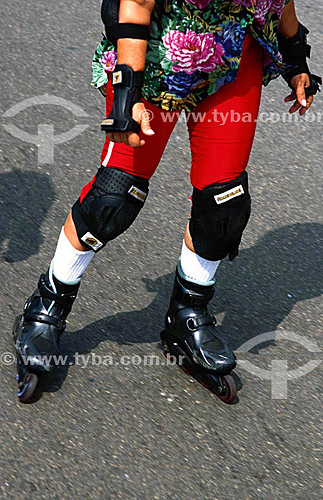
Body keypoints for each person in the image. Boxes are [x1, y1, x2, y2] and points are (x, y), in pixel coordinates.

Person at [13, 0, 320, 402]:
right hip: (160, 53)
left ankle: (187, 315)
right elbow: (137, 3)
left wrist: (296, 61)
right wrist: (127, 90)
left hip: (234, 55)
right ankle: (47, 305)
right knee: (114, 197)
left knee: (223, 206)